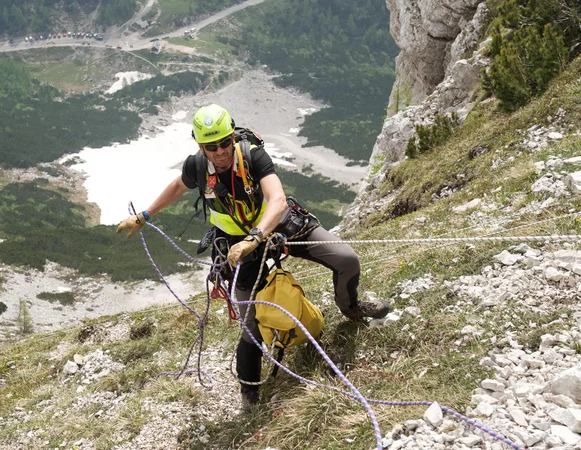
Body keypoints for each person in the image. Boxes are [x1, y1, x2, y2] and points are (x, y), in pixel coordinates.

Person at [116, 104, 390, 411]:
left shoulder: (252, 155)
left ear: (232, 136)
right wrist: (146, 215)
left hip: (277, 226)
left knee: (346, 259)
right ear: (199, 145)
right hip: (234, 243)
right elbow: (179, 185)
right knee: (250, 322)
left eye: (224, 142)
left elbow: (277, 199)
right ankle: (249, 391)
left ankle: (351, 308)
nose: (219, 151)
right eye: (211, 146)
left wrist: (257, 236)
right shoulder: (196, 167)